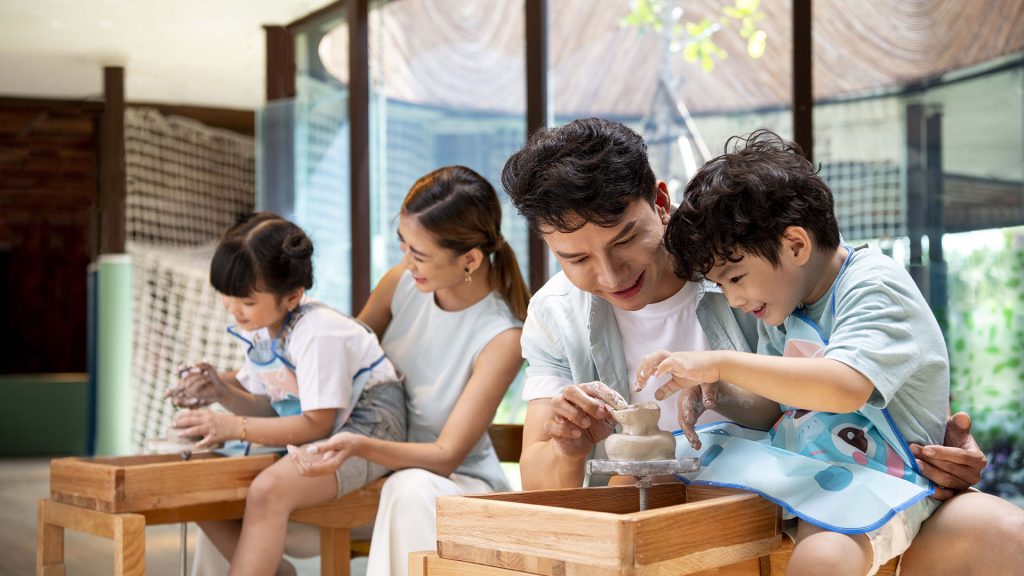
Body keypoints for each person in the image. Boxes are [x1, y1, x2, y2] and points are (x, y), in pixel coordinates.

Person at [500, 118, 1023, 575]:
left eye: (623, 239)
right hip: (691, 505)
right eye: (575, 259)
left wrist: (935, 443)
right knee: (626, 493)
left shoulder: (748, 269)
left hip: (811, 486)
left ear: (661, 202)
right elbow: (538, 485)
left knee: (998, 532)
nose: (610, 275)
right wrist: (569, 443)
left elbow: (847, 374)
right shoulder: (557, 313)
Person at [636, 129, 946, 575]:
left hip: (886, 477)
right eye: (721, 285)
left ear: (796, 244)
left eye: (735, 278)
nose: (734, 299)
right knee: (679, 494)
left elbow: (845, 388)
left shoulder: (874, 285)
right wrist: (718, 391)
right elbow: (776, 411)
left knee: (821, 559)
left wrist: (719, 360)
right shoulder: (786, 305)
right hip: (809, 460)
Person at [291, 165, 528, 576]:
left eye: (419, 255)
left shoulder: (502, 337)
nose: (407, 262)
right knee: (231, 486)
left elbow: (446, 456)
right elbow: (343, 358)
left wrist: (358, 446)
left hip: (452, 486)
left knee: (410, 486)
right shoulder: (401, 283)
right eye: (404, 247)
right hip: (374, 473)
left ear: (470, 259)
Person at [168, 212, 406, 576]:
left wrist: (231, 426)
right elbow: (270, 408)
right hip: (326, 427)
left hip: (369, 428)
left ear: (293, 295)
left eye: (246, 301)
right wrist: (219, 390)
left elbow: (315, 424)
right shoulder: (265, 327)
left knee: (269, 489)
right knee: (196, 482)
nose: (233, 310)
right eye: (226, 296)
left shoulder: (317, 333)